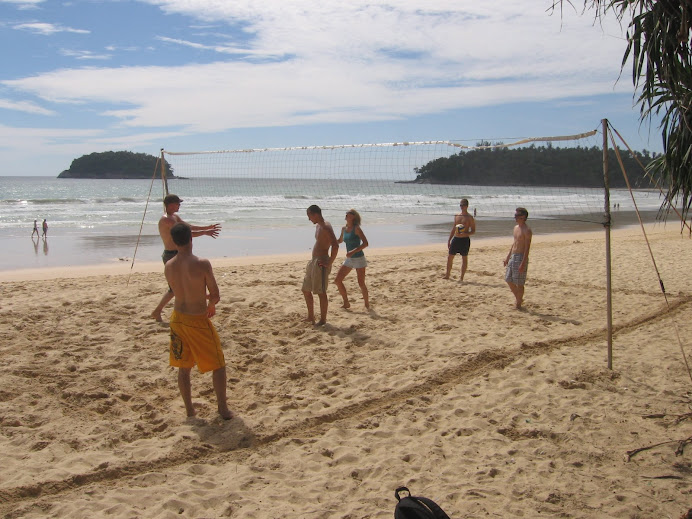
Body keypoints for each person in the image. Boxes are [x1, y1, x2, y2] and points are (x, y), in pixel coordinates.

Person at [164, 222, 232, 420]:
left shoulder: (169, 265)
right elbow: (215, 294)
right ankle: (222, 408)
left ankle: (189, 410)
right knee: (218, 365)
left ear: (174, 242)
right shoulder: (202, 263)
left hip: (177, 318)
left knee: (183, 367)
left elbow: (177, 290)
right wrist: (211, 306)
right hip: (196, 319)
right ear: (191, 239)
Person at [150, 194, 221, 321]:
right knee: (174, 289)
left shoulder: (174, 217)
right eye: (178, 203)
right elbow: (184, 235)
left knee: (182, 285)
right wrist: (205, 233)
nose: (179, 205)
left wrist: (206, 227)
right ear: (171, 204)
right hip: (171, 254)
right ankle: (157, 311)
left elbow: (187, 227)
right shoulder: (168, 220)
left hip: (179, 253)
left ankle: (159, 311)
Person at [302, 205, 339, 325]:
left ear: (315, 214)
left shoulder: (326, 227)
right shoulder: (318, 225)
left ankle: (323, 320)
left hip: (322, 262)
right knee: (306, 290)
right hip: (314, 261)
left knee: (321, 292)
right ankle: (311, 317)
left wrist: (330, 262)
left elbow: (335, 245)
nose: (309, 219)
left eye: (309, 216)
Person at [334, 209, 369, 309]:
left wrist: (353, 251)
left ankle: (367, 304)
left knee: (361, 283)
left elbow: (366, 243)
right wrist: (329, 242)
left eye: (348, 213)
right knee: (337, 280)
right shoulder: (343, 229)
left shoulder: (357, 228)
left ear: (353, 216)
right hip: (349, 259)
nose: (346, 214)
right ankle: (346, 302)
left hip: (359, 258)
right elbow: (340, 240)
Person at [503, 207, 532, 309]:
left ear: (523, 217)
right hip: (513, 256)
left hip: (521, 256)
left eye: (517, 216)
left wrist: (523, 262)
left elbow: (527, 248)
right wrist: (507, 257)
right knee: (508, 279)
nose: (515, 217)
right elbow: (514, 244)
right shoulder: (516, 228)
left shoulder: (527, 230)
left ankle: (518, 303)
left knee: (519, 282)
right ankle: (519, 299)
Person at [444, 198, 476, 282]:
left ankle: (461, 277)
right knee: (450, 257)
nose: (462, 207)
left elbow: (473, 230)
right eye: (460, 205)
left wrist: (466, 234)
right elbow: (453, 228)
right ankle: (447, 275)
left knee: (464, 258)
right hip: (456, 239)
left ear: (467, 206)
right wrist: (449, 240)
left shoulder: (469, 217)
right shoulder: (457, 216)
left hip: (464, 240)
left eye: (463, 205)